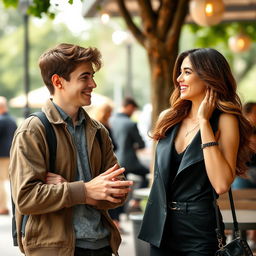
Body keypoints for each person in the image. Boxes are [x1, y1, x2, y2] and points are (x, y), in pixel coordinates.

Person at [9, 43, 133, 256]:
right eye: (84, 77)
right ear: (58, 81)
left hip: (102, 246)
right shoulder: (32, 130)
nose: (93, 84)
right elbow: (26, 198)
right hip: (56, 249)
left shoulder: (98, 131)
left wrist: (74, 189)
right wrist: (86, 191)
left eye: (92, 76)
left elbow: (119, 193)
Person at [138, 48, 252, 256]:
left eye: (187, 72)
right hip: (160, 226)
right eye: (180, 72)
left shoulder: (225, 120)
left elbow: (221, 183)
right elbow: (157, 176)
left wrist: (204, 122)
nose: (179, 78)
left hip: (199, 229)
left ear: (209, 76)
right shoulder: (168, 117)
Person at [110, 97, 149, 211]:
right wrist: (134, 147)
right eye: (133, 110)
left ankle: (118, 215)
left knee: (119, 187)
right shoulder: (130, 124)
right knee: (146, 175)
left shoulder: (111, 120)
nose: (133, 113)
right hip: (129, 161)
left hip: (114, 161)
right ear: (129, 107)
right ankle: (135, 201)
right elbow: (141, 144)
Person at [0, 96, 17, 215]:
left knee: (1, 181)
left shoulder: (1, 120)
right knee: (14, 181)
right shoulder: (12, 120)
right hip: (13, 154)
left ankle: (2, 207)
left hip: (2, 155)